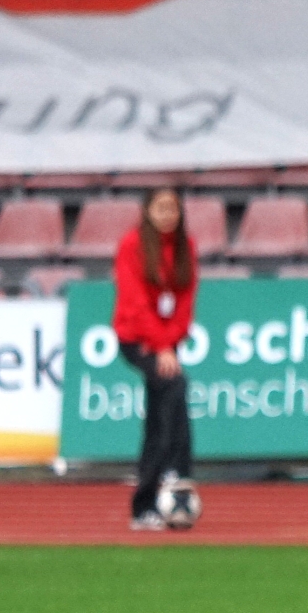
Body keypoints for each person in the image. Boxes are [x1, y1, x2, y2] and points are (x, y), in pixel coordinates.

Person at [112, 188, 200, 530]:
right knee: (175, 386)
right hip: (136, 339)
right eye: (161, 208)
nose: (167, 215)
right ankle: (176, 477)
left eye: (172, 209)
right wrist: (161, 346)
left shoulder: (185, 247)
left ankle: (152, 500)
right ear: (148, 211)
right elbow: (134, 303)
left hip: (166, 343)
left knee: (162, 411)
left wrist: (171, 340)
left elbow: (185, 301)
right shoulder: (132, 245)